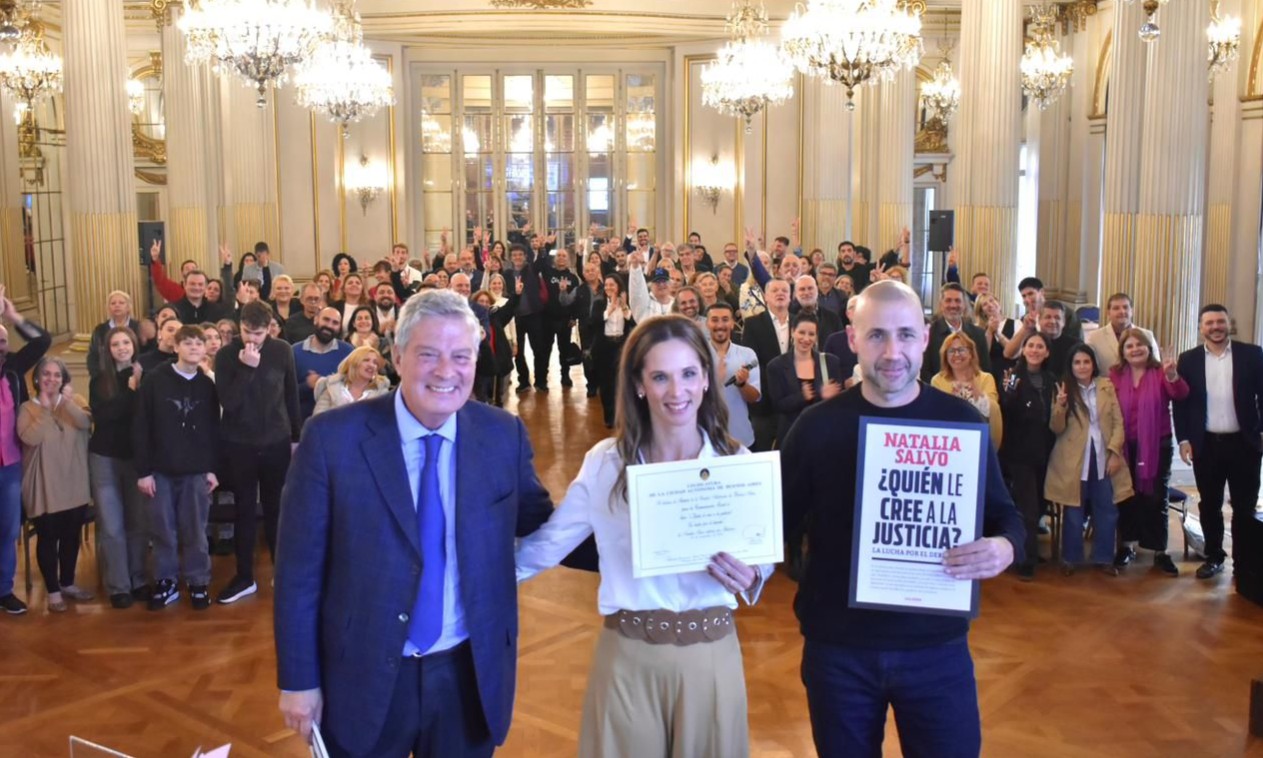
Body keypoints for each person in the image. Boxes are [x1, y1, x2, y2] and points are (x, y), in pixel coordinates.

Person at [274, 289, 560, 757]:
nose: (446, 372)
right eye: (428, 355)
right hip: (362, 676)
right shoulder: (332, 440)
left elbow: (542, 524)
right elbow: (297, 575)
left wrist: (637, 533)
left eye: (460, 356)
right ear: (397, 356)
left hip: (468, 675)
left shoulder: (500, 435)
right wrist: (299, 681)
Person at [780, 280, 1023, 758]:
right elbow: (775, 523)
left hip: (937, 648)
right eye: (876, 336)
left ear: (926, 340)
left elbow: (1005, 515)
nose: (893, 352)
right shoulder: (815, 426)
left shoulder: (961, 423)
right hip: (839, 648)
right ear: (852, 340)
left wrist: (1004, 548)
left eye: (906, 335)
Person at [515, 314, 772, 758]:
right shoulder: (606, 463)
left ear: (706, 380)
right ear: (639, 384)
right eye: (660, 377)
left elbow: (760, 557)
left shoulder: (738, 462)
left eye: (689, 374)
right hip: (628, 655)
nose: (677, 392)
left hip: (712, 657)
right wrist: (459, 576)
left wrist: (752, 575)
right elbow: (546, 547)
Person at [214, 301, 302, 604]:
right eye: (247, 332)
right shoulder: (226, 355)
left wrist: (295, 437)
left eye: (259, 333)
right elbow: (230, 402)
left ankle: (283, 572)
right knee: (244, 510)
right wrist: (247, 368)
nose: (252, 339)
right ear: (239, 326)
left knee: (278, 508)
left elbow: (291, 395)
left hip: (276, 440)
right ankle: (244, 577)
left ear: (270, 328)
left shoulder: (281, 350)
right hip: (239, 444)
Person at [132, 325, 221, 611]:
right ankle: (167, 580)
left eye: (200, 343)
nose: (195, 347)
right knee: (163, 529)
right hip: (160, 469)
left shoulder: (208, 385)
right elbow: (141, 425)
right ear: (176, 347)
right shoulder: (156, 380)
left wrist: (211, 468)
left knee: (195, 529)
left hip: (196, 469)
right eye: (189, 343)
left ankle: (197, 581)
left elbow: (212, 430)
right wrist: (143, 471)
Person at [1174, 304, 1263, 580]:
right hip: (1206, 445)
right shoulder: (1187, 360)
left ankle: (1244, 562)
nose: (1215, 327)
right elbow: (1182, 403)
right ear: (1201, 327)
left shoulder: (1252, 354)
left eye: (1220, 322)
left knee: (1244, 506)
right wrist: (1185, 439)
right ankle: (1214, 556)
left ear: (1228, 324)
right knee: (1210, 504)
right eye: (1209, 323)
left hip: (1245, 444)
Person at [1045, 345, 1132, 576]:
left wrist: (1114, 452)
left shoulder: (1106, 386)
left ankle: (1104, 557)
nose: (1082, 366)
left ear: (1093, 363)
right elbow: (1056, 428)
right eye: (1077, 362)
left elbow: (1118, 422)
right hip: (1073, 458)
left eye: (1086, 361)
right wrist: (1060, 406)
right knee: (1074, 510)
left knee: (1107, 509)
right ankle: (1070, 558)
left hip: (1103, 455)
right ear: (1071, 366)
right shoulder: (1063, 389)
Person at [18, 357, 93, 613]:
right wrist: (46, 408)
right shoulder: (27, 408)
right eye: (46, 375)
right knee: (48, 538)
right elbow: (30, 437)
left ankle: (68, 583)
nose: (51, 379)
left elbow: (85, 424)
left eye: (57, 375)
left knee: (71, 536)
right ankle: (52, 591)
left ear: (64, 380)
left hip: (74, 482)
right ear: (37, 378)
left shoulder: (76, 402)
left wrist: (64, 403)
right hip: (44, 485)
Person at [1111, 328, 1188, 575]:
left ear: (1148, 347)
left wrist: (1173, 375)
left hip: (1157, 444)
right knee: (1126, 495)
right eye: (1129, 346)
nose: (1135, 349)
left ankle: (1159, 551)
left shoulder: (1159, 372)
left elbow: (1181, 394)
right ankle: (1127, 546)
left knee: (1156, 497)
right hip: (1124, 445)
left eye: (1139, 345)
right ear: (1123, 351)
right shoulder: (1115, 375)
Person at [88, 327, 150, 608]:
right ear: (108, 349)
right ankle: (119, 586)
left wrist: (137, 386)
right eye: (116, 344)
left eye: (126, 342)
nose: (122, 347)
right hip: (105, 457)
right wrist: (131, 390)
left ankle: (138, 580)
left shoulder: (146, 375)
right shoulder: (100, 380)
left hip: (136, 459)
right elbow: (105, 416)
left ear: (134, 345)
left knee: (137, 523)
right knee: (112, 525)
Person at [0, 285, 52, 616]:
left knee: (7, 528)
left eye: (3, 340)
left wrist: (12, 316)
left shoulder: (13, 370)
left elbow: (42, 341)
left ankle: (4, 588)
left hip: (9, 464)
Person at [1001, 332, 1057, 581]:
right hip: (1019, 452)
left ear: (1047, 353)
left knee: (1039, 505)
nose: (1034, 350)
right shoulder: (1012, 376)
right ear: (1023, 350)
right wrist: (1009, 393)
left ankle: (1029, 549)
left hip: (1045, 452)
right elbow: (1006, 407)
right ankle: (1025, 559)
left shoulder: (1051, 379)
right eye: (1030, 345)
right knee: (1028, 508)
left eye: (1040, 346)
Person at [766, 313, 842, 445]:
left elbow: (839, 403)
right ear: (792, 332)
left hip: (822, 435)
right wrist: (801, 397)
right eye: (801, 332)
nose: (806, 339)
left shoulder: (831, 362)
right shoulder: (776, 366)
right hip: (790, 436)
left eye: (811, 334)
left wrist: (830, 397)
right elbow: (777, 405)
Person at [738, 278, 791, 452]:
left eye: (784, 290)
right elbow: (752, 363)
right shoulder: (753, 324)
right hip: (764, 405)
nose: (780, 294)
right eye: (775, 290)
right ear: (765, 296)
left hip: (794, 404)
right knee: (763, 452)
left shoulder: (800, 322)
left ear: (791, 297)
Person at [929, 331, 1003, 450]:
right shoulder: (937, 380)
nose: (956, 354)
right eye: (951, 351)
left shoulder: (986, 378)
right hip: (948, 444)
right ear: (945, 356)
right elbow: (935, 414)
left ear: (971, 354)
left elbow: (994, 411)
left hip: (979, 442)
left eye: (961, 350)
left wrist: (979, 396)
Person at [707, 301, 759, 449]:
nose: (720, 325)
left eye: (725, 319)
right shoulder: (697, 355)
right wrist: (714, 380)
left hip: (741, 438)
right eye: (714, 320)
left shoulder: (747, 354)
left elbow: (754, 397)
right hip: (706, 439)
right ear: (707, 324)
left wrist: (743, 384)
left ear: (732, 323)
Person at [292, 307, 353, 422]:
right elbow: (285, 393)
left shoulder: (349, 352)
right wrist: (308, 385)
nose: (329, 326)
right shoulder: (294, 352)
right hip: (301, 424)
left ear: (340, 327)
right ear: (316, 320)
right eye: (326, 319)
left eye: (335, 323)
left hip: (339, 422)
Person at [588, 275, 634, 428]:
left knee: (622, 382)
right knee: (606, 384)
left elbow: (633, 323)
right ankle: (610, 417)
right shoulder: (599, 303)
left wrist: (624, 308)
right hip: (604, 347)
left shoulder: (626, 304)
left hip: (621, 345)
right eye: (606, 285)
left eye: (612, 285)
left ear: (618, 286)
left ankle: (624, 415)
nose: (608, 288)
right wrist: (609, 310)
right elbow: (593, 322)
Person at [923, 284, 992, 381]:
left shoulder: (979, 334)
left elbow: (985, 370)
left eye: (957, 301)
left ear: (964, 305)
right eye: (948, 300)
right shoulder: (929, 334)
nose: (953, 305)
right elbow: (925, 372)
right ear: (941, 305)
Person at [1085, 293, 1158, 373]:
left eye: (1125, 307)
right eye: (1116, 308)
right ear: (1108, 313)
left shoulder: (1147, 335)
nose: (1122, 311)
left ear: (1132, 311)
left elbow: (1156, 368)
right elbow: (1088, 370)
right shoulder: (1094, 338)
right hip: (1107, 384)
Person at [313, 346, 390, 415]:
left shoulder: (382, 394)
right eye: (366, 360)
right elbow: (317, 422)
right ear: (354, 363)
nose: (371, 365)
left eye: (375, 363)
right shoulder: (332, 388)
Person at [87, 290, 141, 379]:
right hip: (106, 378)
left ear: (128, 307)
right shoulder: (100, 330)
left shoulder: (138, 327)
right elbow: (93, 356)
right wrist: (97, 376)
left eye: (121, 303)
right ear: (108, 308)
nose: (117, 305)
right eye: (113, 303)